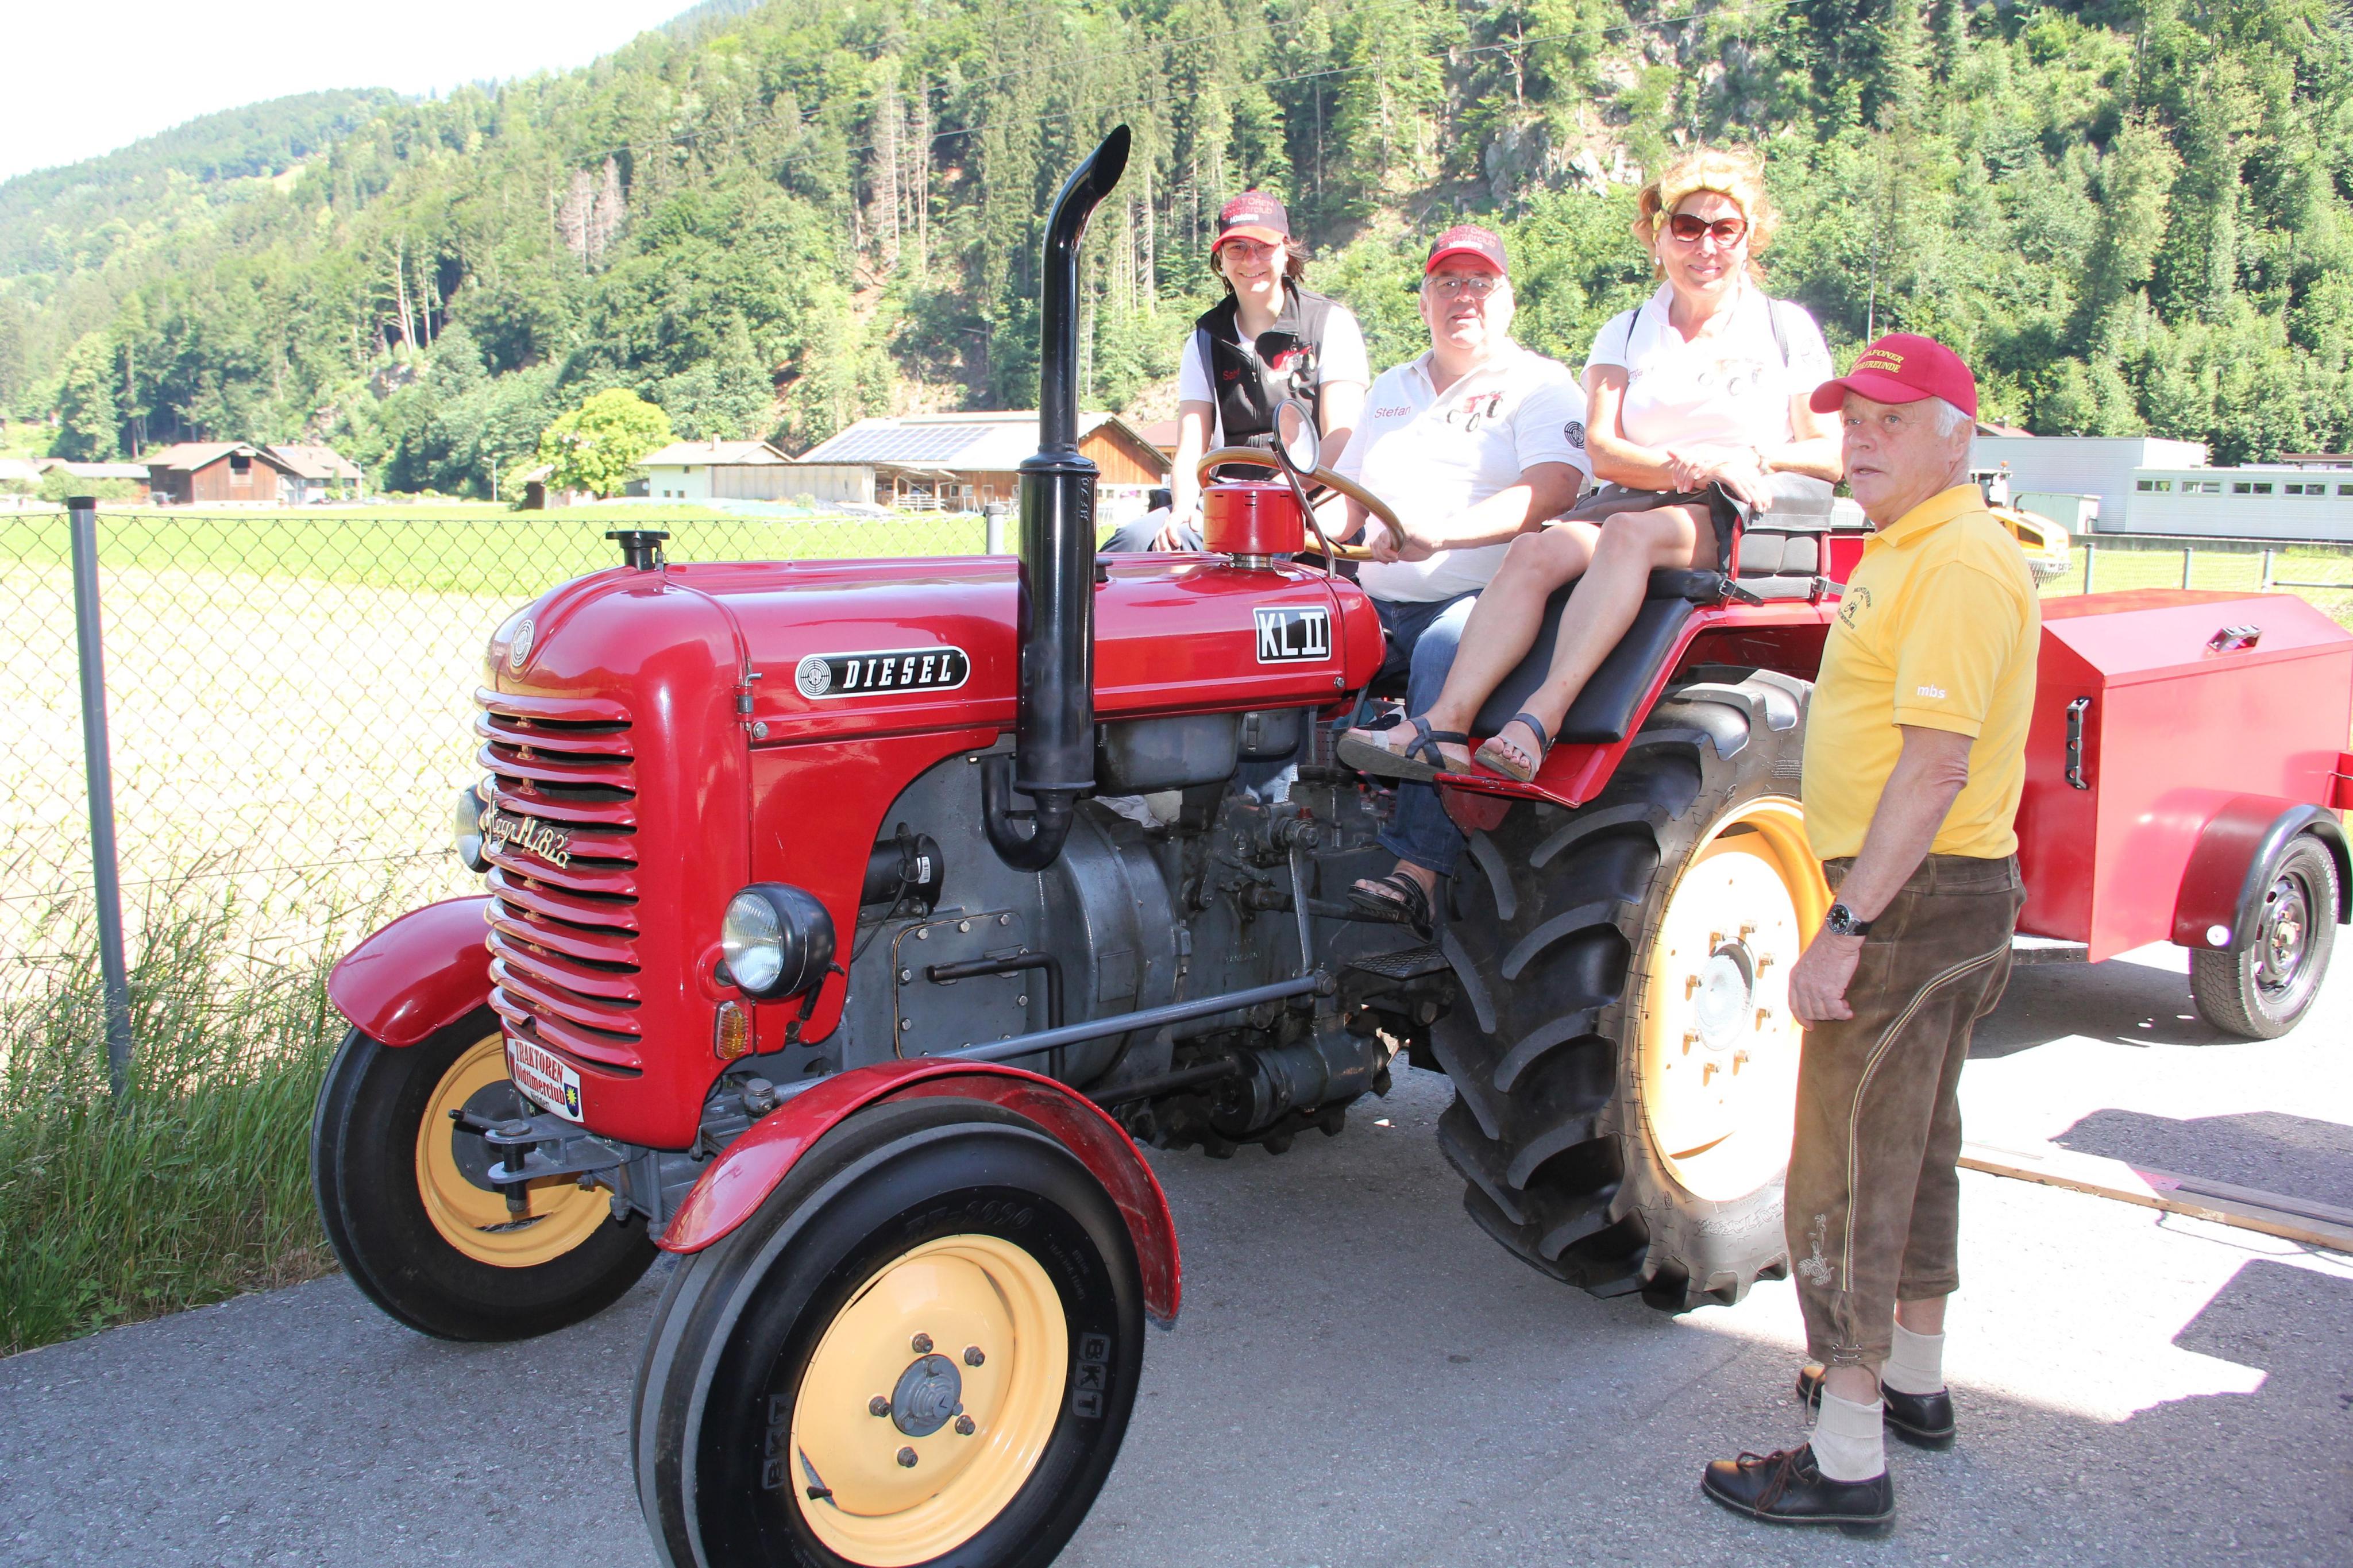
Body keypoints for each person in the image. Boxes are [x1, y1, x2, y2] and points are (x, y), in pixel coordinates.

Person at [1699, 333, 2038, 1536]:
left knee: (1841, 1172)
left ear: (1957, 434)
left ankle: (1846, 1461)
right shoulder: (1912, 547)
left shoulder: (1954, 560)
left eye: (1892, 420)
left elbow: (1934, 767)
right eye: (1852, 419)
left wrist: (1845, 925)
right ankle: (1914, 1386)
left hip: (1910, 898)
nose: (1861, 440)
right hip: (1941, 894)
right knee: (1915, 1145)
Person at [1352, 146, 1841, 782]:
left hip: (1739, 509)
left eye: (1725, 229)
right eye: (1688, 227)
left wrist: (1740, 458)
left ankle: (1539, 719)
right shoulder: (1629, 330)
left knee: (1628, 536)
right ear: (1659, 237)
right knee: (1534, 550)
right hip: (1641, 493)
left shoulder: (1782, 327)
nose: (1706, 246)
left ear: (1749, 239)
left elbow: (1829, 452)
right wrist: (1680, 467)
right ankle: (1445, 724)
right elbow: (1604, 449)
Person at [1323, 224, 1592, 930]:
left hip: (1485, 600)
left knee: (1448, 646)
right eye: (1447, 283)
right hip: (1376, 603)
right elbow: (1344, 503)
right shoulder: (1391, 388)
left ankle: (1419, 871)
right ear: (1423, 301)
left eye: (1480, 283)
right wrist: (1268, 527)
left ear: (1508, 300)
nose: (1463, 297)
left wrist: (1443, 532)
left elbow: (1553, 490)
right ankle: (1272, 809)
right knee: (1291, 635)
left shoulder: (1540, 385)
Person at [1105, 190, 1368, 551]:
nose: (1250, 259)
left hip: (1312, 501)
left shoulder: (1330, 324)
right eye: (1237, 248)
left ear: (1286, 250)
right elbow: (1191, 446)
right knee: (1130, 544)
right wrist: (1182, 509)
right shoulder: (1205, 339)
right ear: (1221, 259)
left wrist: (1274, 494)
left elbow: (1342, 438)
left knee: (1256, 546)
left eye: (1264, 247)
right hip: (1225, 501)